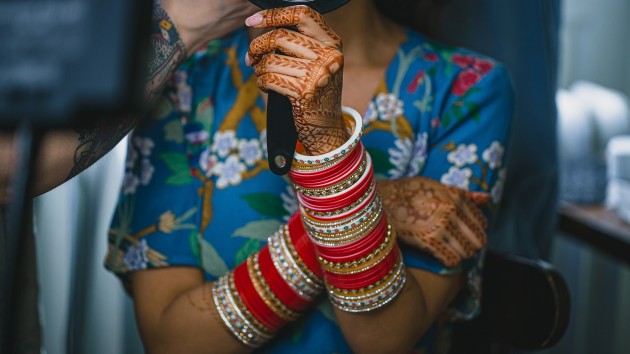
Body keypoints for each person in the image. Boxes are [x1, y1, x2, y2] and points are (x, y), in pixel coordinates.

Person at [105, 1, 513, 353]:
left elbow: (384, 340)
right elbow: (171, 341)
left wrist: (326, 142)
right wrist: (374, 201)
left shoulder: (465, 90)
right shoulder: (184, 79)